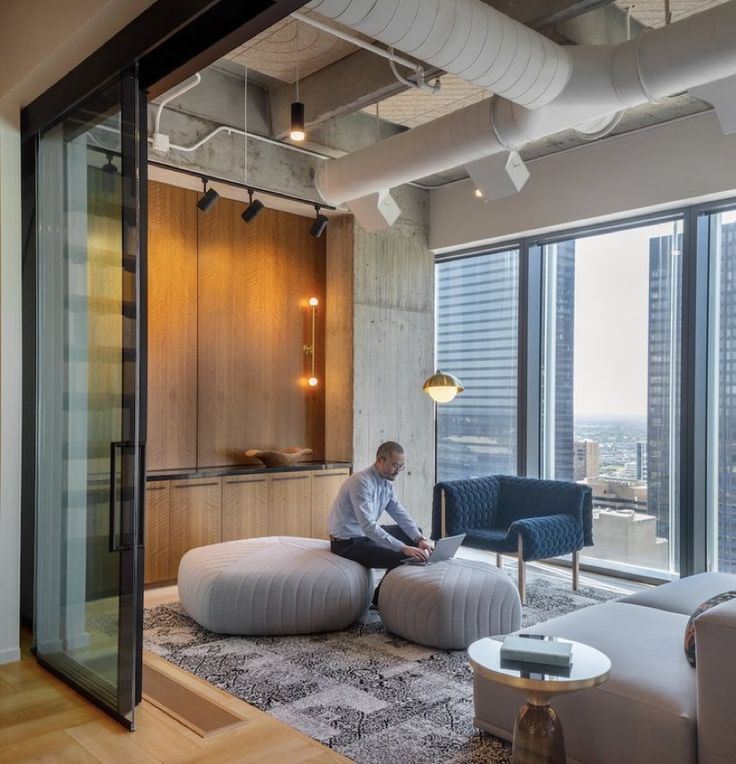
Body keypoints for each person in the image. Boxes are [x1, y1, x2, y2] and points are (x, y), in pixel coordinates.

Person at [327, 441, 432, 605]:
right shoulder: (361, 482)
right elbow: (369, 527)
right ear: (380, 460)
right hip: (347, 543)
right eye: (395, 466)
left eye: (401, 467)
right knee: (402, 556)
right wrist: (403, 548)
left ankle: (382, 596)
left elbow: (400, 514)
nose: (398, 471)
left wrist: (420, 539)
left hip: (365, 536)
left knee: (414, 532)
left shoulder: (386, 483)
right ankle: (379, 599)